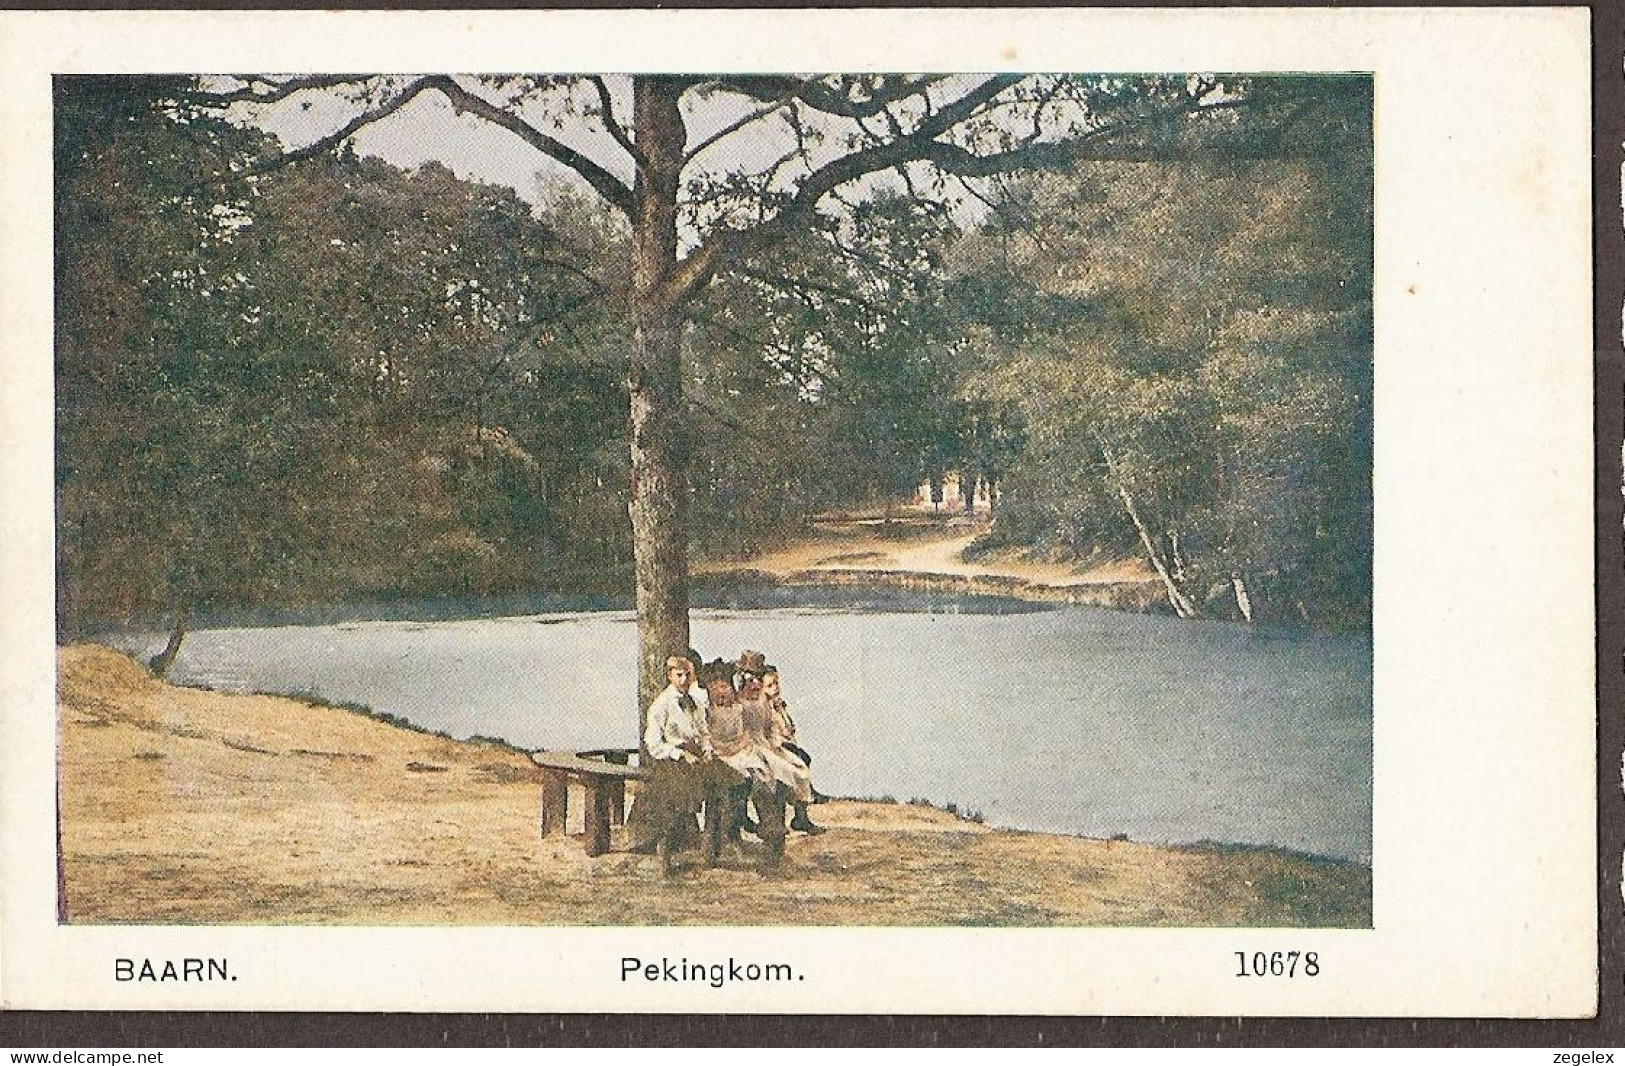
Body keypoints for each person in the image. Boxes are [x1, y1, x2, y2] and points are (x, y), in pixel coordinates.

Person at [703, 658, 787, 867]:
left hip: (740, 751)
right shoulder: (706, 710)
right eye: (718, 687)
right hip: (718, 755)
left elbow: (743, 735)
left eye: (726, 686)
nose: (723, 692)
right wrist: (724, 748)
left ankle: (771, 828)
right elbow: (706, 737)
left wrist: (740, 746)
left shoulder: (737, 709)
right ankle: (728, 836)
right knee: (736, 782)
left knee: (764, 777)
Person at [640, 655, 719, 874]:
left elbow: (703, 732)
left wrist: (707, 751)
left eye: (687, 675)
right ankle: (665, 856)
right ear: (670, 676)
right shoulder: (661, 704)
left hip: (695, 756)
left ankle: (708, 852)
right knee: (672, 799)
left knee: (724, 784)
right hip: (670, 761)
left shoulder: (694, 701)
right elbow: (653, 744)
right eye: (679, 675)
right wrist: (679, 754)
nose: (684, 679)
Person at [760, 666, 824, 834]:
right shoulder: (763, 706)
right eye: (769, 685)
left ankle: (801, 815)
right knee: (791, 767)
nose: (775, 688)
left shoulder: (778, 705)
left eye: (776, 683)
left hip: (782, 744)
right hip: (770, 747)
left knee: (802, 759)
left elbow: (788, 728)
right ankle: (794, 815)